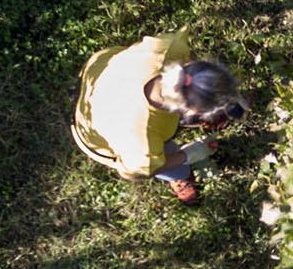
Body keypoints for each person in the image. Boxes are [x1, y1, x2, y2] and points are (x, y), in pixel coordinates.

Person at [73, 33, 248, 204]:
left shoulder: (168, 49)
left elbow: (189, 59)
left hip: (102, 72)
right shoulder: (140, 141)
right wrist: (187, 155)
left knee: (163, 128)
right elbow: (136, 172)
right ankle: (180, 177)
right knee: (176, 167)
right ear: (191, 112)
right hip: (93, 131)